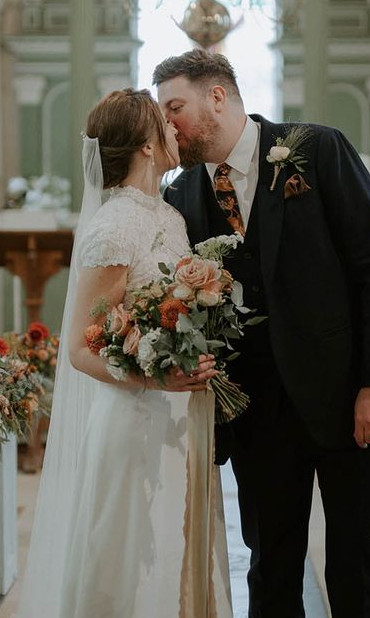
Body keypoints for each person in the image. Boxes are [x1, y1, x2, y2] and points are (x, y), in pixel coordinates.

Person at [155, 49, 370, 618]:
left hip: (350, 399)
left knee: (357, 561)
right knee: (270, 565)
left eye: (176, 108)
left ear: (216, 96)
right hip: (258, 415)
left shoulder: (316, 151)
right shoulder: (181, 197)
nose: (168, 125)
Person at [17, 89, 233, 618]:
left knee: (182, 553)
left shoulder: (171, 218)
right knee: (136, 567)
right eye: (166, 121)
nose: (176, 130)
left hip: (183, 416)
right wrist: (154, 377)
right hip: (135, 420)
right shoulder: (113, 227)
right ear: (144, 142)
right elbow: (77, 350)